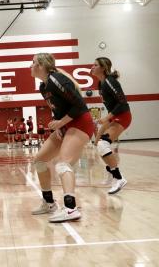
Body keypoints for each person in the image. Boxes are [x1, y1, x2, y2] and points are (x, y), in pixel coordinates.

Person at [30, 53, 94, 223]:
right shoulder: (43, 87)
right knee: (39, 160)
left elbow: (79, 106)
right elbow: (58, 109)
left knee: (63, 163)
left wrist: (60, 123)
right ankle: (49, 203)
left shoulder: (56, 79)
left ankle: (70, 208)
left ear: (42, 66)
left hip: (81, 122)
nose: (30, 66)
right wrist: (59, 125)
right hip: (66, 124)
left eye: (33, 62)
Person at [90, 57, 131, 194]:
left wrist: (107, 117)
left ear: (103, 68)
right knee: (98, 145)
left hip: (123, 116)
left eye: (95, 65)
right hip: (113, 117)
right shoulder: (100, 84)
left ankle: (119, 178)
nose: (92, 67)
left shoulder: (110, 81)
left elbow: (122, 103)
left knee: (103, 144)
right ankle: (111, 173)